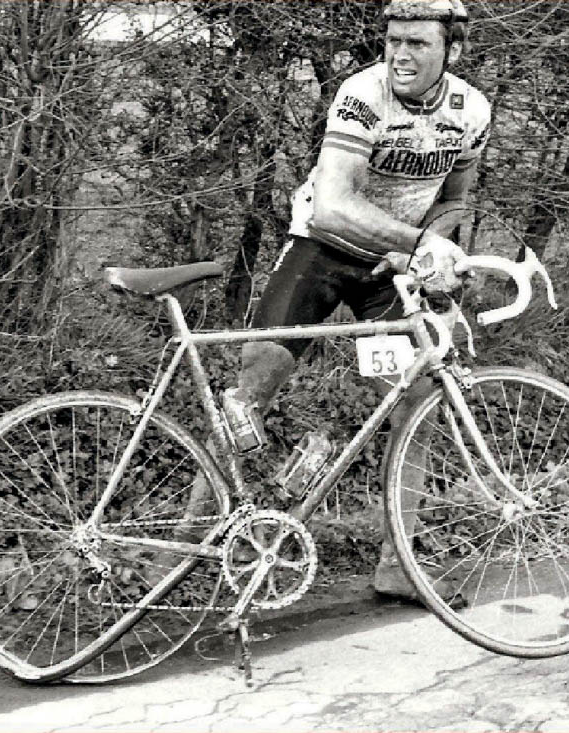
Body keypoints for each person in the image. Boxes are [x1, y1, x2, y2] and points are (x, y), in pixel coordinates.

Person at [228, 0, 491, 601]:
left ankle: (400, 566)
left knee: (417, 401)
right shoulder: (362, 93)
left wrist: (431, 251)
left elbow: (455, 198)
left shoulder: (471, 109)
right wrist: (419, 240)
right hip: (319, 250)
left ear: (453, 50)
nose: (399, 53)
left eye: (418, 43)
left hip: (387, 270)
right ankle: (202, 542)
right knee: (254, 381)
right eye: (393, 39)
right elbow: (333, 205)